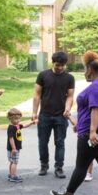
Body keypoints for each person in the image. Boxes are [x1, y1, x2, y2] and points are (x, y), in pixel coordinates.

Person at [50, 54, 98, 195]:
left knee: (82, 163)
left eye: (85, 70)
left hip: (96, 131)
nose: (84, 73)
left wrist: (91, 131)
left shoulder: (95, 87)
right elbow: (90, 110)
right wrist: (79, 124)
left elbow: (96, 110)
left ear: (91, 70)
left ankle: (68, 194)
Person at [32, 51, 75, 179]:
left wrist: (67, 108)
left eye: (62, 65)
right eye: (57, 65)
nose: (60, 68)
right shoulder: (43, 75)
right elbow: (37, 94)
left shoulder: (69, 78)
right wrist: (34, 112)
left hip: (61, 116)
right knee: (43, 142)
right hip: (44, 115)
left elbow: (70, 96)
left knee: (60, 142)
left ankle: (59, 168)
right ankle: (44, 165)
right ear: (52, 62)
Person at [5, 108, 36, 183]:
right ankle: (13, 176)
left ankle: (10, 174)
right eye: (16, 119)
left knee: (12, 161)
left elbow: (24, 125)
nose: (18, 120)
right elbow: (11, 138)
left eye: (19, 119)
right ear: (10, 118)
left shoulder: (17, 125)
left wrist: (32, 122)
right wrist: (14, 148)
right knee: (15, 162)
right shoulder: (11, 128)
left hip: (14, 148)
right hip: (13, 148)